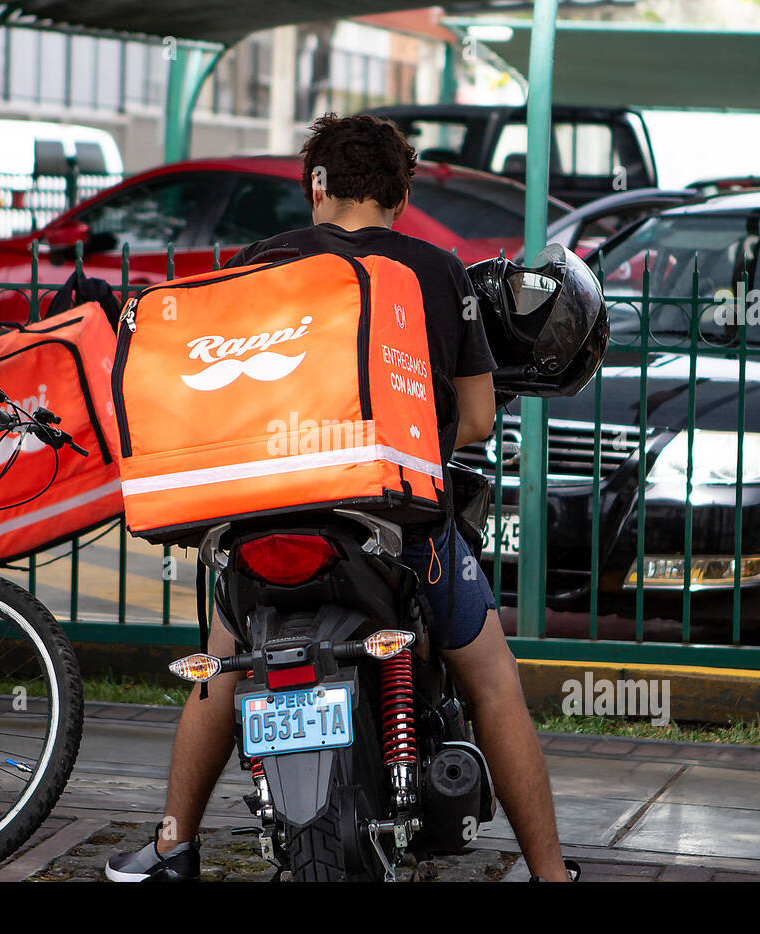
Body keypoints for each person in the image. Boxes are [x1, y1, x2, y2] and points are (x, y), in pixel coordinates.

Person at [106, 113, 573, 883]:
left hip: (265, 522)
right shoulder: (436, 270)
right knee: (494, 683)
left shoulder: (261, 261)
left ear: (316, 185)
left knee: (222, 667)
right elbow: (481, 418)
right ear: (402, 189)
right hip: (397, 525)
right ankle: (551, 873)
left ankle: (172, 843)